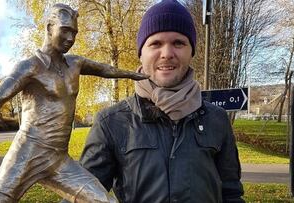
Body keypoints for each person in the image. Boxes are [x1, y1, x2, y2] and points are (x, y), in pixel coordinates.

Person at [0, 3, 147, 203]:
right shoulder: (30, 67)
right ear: (49, 27)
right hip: (27, 154)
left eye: (74, 33)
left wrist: (137, 75)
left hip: (59, 160)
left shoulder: (75, 63)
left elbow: (106, 70)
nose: (70, 38)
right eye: (65, 30)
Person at [65, 0, 245, 202]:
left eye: (178, 43)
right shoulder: (111, 123)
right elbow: (81, 195)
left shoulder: (217, 119)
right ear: (141, 54)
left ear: (191, 51)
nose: (167, 54)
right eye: (156, 43)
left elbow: (231, 194)